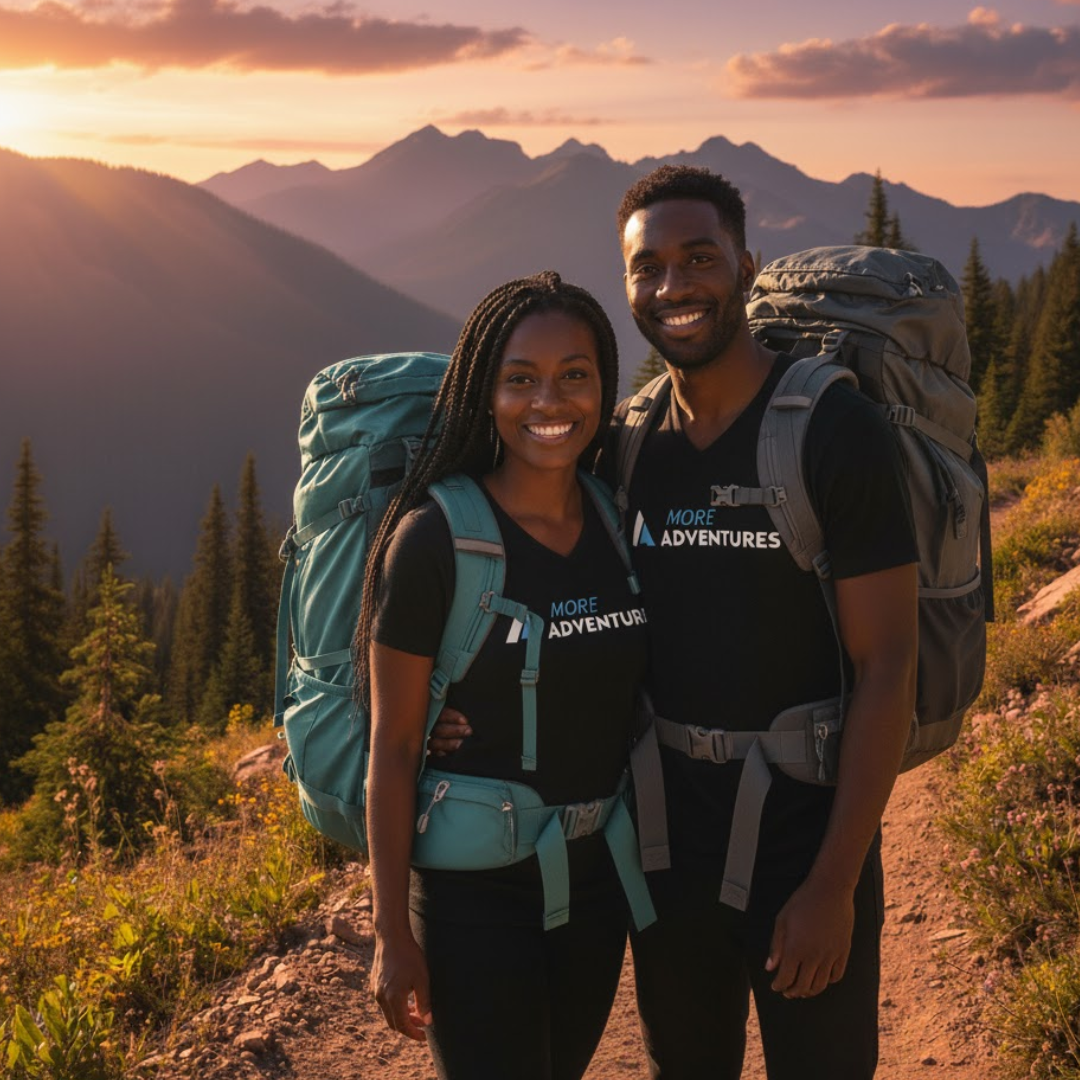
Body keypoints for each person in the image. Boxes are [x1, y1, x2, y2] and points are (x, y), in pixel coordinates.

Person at [433, 166, 920, 1079]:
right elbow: (548, 596)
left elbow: (889, 664)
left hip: (804, 837)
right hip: (664, 854)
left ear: (746, 264)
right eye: (647, 267)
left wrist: (834, 884)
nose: (673, 287)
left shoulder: (831, 430)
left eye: (699, 258)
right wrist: (451, 708)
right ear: (626, 287)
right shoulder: (625, 442)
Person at [354, 271, 650, 1080]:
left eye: (574, 376)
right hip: (472, 896)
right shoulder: (434, 539)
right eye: (520, 379)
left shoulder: (615, 519)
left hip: (596, 885)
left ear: (603, 386)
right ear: (485, 394)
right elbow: (395, 743)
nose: (548, 402)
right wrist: (391, 934)